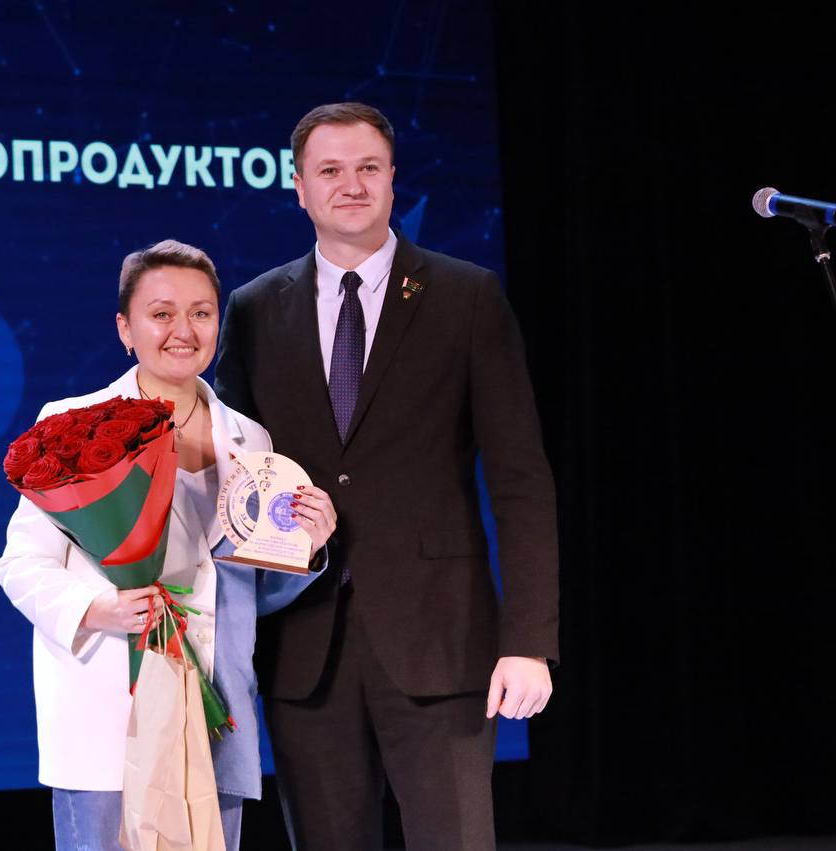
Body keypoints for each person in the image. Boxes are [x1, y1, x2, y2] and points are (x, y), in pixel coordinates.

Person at [214, 103, 559, 850]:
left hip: (442, 643)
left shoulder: (466, 296)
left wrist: (529, 640)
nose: (351, 184)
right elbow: (232, 482)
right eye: (330, 170)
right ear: (299, 186)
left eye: (368, 167)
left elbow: (522, 481)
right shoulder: (253, 310)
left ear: (393, 179)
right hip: (303, 651)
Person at [0, 239, 336, 851]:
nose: (184, 330)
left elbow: (245, 593)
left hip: (215, 712)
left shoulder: (251, 440)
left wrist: (305, 548)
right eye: (161, 314)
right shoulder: (71, 424)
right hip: (109, 705)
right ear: (125, 329)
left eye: (201, 313)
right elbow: (20, 563)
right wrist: (96, 609)